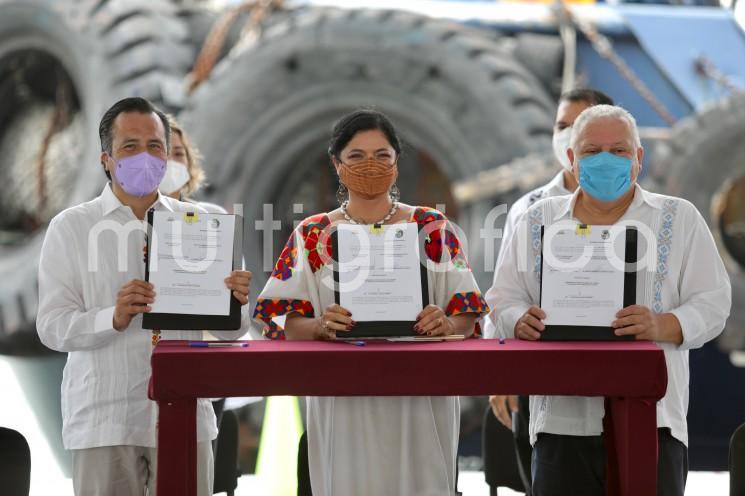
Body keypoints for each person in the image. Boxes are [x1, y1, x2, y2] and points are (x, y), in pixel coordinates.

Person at [489, 104, 731, 496]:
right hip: (560, 422)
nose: (605, 161)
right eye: (590, 151)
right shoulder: (537, 219)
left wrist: (660, 324)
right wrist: (518, 318)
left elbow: (714, 302)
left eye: (618, 151)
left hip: (654, 422)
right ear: (571, 159)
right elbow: (501, 297)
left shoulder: (678, 217)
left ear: (638, 157)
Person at [253, 109, 489, 496]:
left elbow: (466, 311)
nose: (371, 165)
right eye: (356, 156)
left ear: (397, 162)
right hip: (343, 396)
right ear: (336, 164)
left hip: (421, 394)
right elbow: (283, 320)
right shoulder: (313, 234)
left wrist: (446, 324)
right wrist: (319, 326)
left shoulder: (429, 227)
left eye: (382, 155)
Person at [36, 97, 253, 496]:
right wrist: (112, 317)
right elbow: (51, 328)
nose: (145, 157)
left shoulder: (205, 227)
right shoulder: (72, 228)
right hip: (105, 416)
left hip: (186, 412)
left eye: (155, 146)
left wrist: (235, 305)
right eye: (129, 147)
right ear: (106, 159)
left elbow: (232, 334)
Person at [483, 88, 613, 491]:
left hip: (620, 381)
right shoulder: (531, 208)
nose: (567, 134)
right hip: (541, 385)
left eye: (579, 124)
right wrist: (498, 374)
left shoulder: (644, 209)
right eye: (561, 126)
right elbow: (503, 293)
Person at [159, 115, 227, 215]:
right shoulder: (130, 219)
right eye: (162, 154)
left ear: (189, 162)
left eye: (179, 154)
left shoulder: (212, 215)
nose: (171, 162)